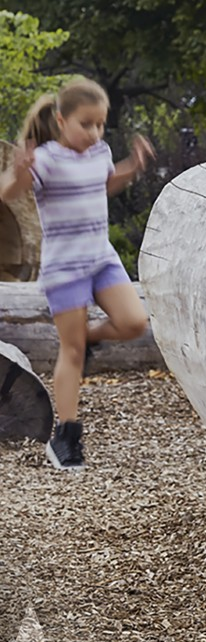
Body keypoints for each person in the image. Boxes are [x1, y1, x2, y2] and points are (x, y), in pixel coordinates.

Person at [0, 78, 155, 471]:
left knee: (135, 322)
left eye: (101, 124)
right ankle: (65, 437)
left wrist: (130, 168)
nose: (95, 132)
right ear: (61, 119)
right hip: (65, 268)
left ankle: (87, 338)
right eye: (86, 124)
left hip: (102, 258)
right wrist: (19, 172)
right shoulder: (47, 159)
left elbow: (102, 185)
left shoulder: (99, 152)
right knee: (69, 353)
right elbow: (9, 193)